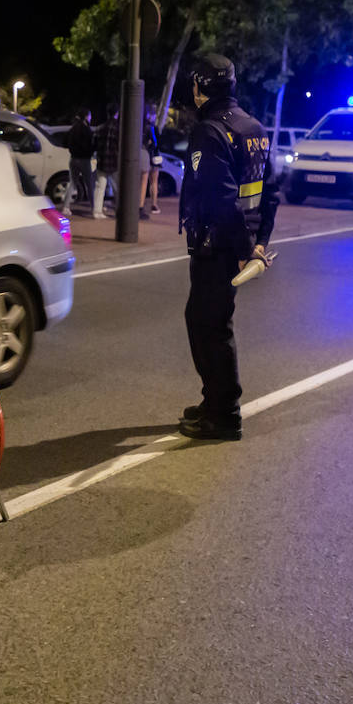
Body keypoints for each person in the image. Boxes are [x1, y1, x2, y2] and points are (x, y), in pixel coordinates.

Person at [177, 53, 280, 441]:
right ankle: (214, 400)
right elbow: (270, 192)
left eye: (194, 84)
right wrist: (259, 242)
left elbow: (222, 200)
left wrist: (241, 249)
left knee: (210, 327)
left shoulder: (210, 132)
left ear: (202, 88)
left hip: (217, 245)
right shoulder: (253, 127)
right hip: (239, 241)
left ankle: (224, 415)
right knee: (205, 321)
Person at [62, 107, 96, 215]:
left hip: (73, 159)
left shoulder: (73, 128)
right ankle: (94, 207)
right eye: (90, 115)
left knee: (72, 183)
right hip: (84, 159)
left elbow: (65, 142)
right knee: (89, 184)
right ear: (86, 116)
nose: (91, 118)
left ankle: (66, 207)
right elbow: (91, 145)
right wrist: (90, 152)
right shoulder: (86, 129)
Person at [93, 103, 120, 219]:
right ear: (117, 114)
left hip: (102, 160)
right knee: (117, 188)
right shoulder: (119, 128)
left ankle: (97, 211)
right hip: (114, 161)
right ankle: (119, 211)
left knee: (100, 187)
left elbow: (94, 145)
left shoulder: (100, 128)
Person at [142, 105, 162, 215]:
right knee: (153, 181)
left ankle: (141, 203)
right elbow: (156, 143)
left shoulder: (141, 125)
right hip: (153, 157)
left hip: (143, 156)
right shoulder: (153, 127)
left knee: (143, 181)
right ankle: (154, 204)